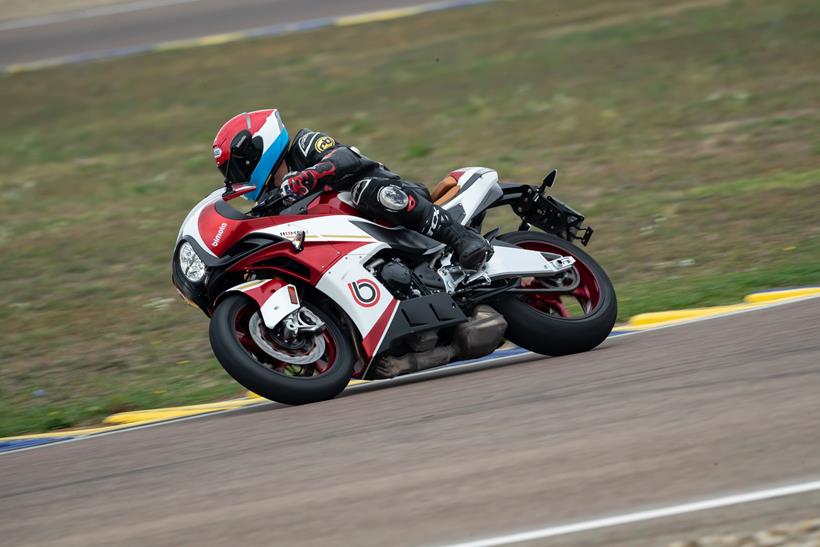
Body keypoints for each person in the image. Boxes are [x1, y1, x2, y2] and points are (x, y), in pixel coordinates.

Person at [212, 109, 492, 270]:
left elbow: (345, 158)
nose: (235, 179)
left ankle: (462, 238)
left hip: (393, 197)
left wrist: (309, 176)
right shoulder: (271, 202)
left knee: (365, 191)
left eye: (235, 169)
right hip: (356, 243)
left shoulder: (306, 144)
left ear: (256, 151)